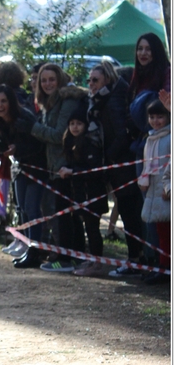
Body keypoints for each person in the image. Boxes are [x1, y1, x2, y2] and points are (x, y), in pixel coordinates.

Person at [83, 60, 145, 278]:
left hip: (122, 167)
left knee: (130, 213)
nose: (91, 84)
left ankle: (136, 259)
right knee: (129, 212)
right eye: (89, 80)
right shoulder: (101, 101)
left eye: (95, 80)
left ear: (107, 80)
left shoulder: (112, 102)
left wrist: (107, 158)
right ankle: (136, 258)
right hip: (116, 165)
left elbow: (121, 135)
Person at [28, 63, 90, 273]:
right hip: (55, 166)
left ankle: (66, 258)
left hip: (66, 164)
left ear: (60, 79)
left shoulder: (67, 100)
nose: (47, 84)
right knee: (63, 214)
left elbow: (59, 134)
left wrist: (32, 127)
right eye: (43, 80)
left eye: (51, 79)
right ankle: (71, 256)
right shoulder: (49, 102)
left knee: (65, 214)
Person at [0, 85, 46, 262]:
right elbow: (6, 147)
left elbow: (39, 144)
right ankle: (25, 245)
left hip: (36, 168)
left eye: (4, 101)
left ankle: (35, 251)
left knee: (32, 209)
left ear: (11, 102)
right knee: (21, 208)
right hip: (19, 169)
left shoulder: (23, 117)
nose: (0, 105)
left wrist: (17, 148)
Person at [58, 108, 108, 277]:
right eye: (72, 124)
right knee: (89, 228)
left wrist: (72, 171)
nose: (75, 127)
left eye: (79, 123)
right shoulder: (70, 142)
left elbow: (93, 170)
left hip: (93, 194)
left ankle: (97, 263)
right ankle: (93, 259)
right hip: (81, 193)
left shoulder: (89, 144)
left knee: (93, 228)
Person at [137, 99, 171, 286]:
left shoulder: (170, 137)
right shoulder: (150, 138)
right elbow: (148, 164)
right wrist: (144, 179)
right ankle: (163, 266)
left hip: (166, 190)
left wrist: (169, 188)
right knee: (160, 231)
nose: (156, 121)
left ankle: (167, 267)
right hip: (154, 189)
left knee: (168, 231)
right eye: (152, 117)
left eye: (160, 116)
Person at [128, 33, 171, 159]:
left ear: (156, 51)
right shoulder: (137, 76)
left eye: (148, 49)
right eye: (140, 49)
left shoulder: (167, 72)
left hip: (163, 138)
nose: (143, 53)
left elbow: (167, 102)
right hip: (143, 138)